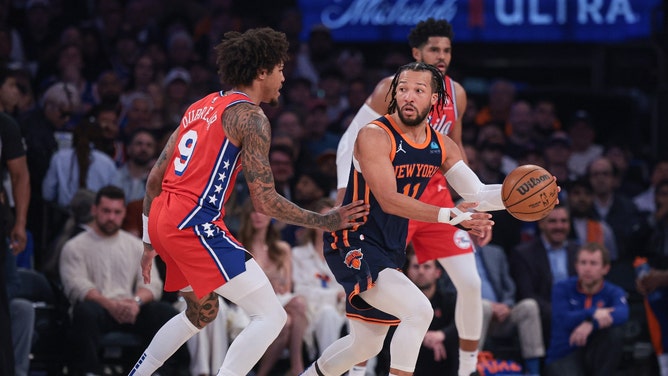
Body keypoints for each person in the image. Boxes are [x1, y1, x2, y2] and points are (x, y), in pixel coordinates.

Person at [128, 28, 369, 376]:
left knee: (202, 313)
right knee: (271, 316)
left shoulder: (199, 106)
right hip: (194, 221)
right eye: (280, 69)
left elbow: (154, 179)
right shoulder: (251, 117)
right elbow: (265, 201)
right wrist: (326, 220)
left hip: (164, 220)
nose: (284, 78)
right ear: (261, 72)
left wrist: (150, 242)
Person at [303, 62, 504, 376]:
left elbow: (477, 192)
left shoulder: (442, 144)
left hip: (389, 247)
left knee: (365, 345)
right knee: (418, 310)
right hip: (354, 239)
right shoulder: (373, 135)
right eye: (403, 89)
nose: (409, 97)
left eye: (418, 90)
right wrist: (450, 215)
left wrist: (519, 196)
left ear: (434, 99)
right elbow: (389, 199)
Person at [335, 19, 488, 376]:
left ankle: (467, 370)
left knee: (471, 282)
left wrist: (474, 206)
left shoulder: (457, 95)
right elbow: (352, 139)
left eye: (447, 50)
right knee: (375, 290)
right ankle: (359, 371)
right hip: (391, 197)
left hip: (434, 196)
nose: (442, 56)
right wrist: (343, 193)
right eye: (434, 49)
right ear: (416, 53)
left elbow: (457, 152)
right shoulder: (391, 89)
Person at [59, 185, 184, 375]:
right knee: (84, 311)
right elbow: (77, 286)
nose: (111, 217)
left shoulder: (135, 245)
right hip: (99, 310)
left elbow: (152, 284)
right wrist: (110, 305)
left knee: (164, 312)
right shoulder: (75, 246)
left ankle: (163, 372)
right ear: (95, 210)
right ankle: (89, 372)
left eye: (117, 212)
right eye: (106, 211)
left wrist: (135, 303)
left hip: (131, 309)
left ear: (124, 212)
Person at [237, 200, 308, 376]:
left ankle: (295, 365)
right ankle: (292, 368)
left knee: (298, 303)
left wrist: (274, 282)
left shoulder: (282, 249)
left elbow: (286, 287)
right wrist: (271, 279)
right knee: (287, 321)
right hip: (250, 302)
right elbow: (239, 283)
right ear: (247, 217)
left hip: (279, 299)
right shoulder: (239, 248)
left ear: (271, 217)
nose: (258, 216)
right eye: (253, 212)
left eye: (262, 212)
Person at [545, 242, 629, 376]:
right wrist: (593, 312)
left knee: (615, 332)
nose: (587, 269)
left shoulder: (613, 291)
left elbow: (623, 314)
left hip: (594, 354)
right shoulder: (562, 288)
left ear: (605, 268)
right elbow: (563, 319)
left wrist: (591, 323)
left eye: (593, 263)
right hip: (564, 353)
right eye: (583, 263)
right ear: (576, 266)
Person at [509, 204, 579, 348]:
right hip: (545, 316)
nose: (559, 226)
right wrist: (560, 313)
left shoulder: (579, 251)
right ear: (541, 223)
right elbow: (526, 294)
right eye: (553, 221)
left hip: (577, 311)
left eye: (564, 221)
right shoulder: (524, 254)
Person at [474, 236, 544, 376]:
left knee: (529, 306)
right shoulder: (453, 255)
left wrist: (506, 305)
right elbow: (451, 290)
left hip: (501, 316)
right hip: (473, 315)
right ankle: (474, 368)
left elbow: (509, 286)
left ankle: (533, 370)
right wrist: (489, 306)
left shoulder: (496, 252)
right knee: (483, 307)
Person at [0, 65, 30, 376]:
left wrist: (20, 222)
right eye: (11, 84)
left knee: (4, 302)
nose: (16, 92)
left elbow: (20, 176)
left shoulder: (6, 125)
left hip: (1, 220)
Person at [291, 198, 347, 358]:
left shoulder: (346, 256)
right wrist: (334, 295)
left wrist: (340, 297)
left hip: (342, 309)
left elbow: (350, 288)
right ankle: (328, 369)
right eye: (324, 219)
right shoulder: (298, 254)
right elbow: (300, 290)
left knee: (363, 317)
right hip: (311, 311)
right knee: (327, 314)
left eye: (332, 219)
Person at [405, 247, 459, 376]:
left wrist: (442, 335)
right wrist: (424, 337)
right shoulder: (399, 301)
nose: (421, 271)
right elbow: (391, 329)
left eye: (427, 267)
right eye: (416, 267)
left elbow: (462, 323)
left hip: (444, 361)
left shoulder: (448, 299)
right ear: (407, 272)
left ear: (438, 273)